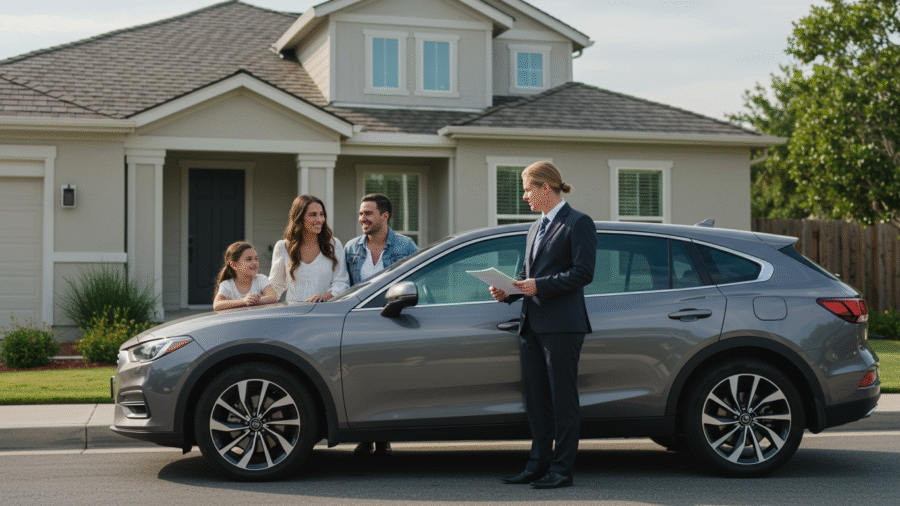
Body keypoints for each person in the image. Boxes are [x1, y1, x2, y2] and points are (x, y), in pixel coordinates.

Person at [489, 161, 596, 489]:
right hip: (531, 326)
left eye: (527, 189)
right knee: (536, 402)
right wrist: (507, 291)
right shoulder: (535, 228)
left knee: (563, 401)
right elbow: (527, 277)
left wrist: (541, 285)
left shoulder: (578, 223)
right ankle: (537, 466)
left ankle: (561, 471)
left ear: (545, 188)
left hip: (563, 327)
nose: (524, 197)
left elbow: (583, 273)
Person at [344, 193, 418, 455]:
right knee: (363, 379)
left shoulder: (406, 246)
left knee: (388, 377)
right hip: (361, 323)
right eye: (361, 213)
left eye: (368, 213)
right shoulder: (352, 248)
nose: (362, 218)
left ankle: (384, 436)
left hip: (393, 319)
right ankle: (367, 435)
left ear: (384, 216)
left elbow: (417, 281)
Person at [269, 195, 350, 303]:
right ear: (299, 217)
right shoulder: (283, 247)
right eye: (313, 215)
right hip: (294, 315)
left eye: (322, 215)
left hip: (324, 313)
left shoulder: (333, 245)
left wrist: (324, 297)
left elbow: (342, 283)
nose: (319, 220)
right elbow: (276, 285)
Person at [213, 241, 278, 311]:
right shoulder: (227, 285)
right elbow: (217, 305)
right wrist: (244, 301)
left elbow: (273, 297)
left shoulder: (261, 279)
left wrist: (255, 301)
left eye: (256, 258)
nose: (255, 263)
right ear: (234, 265)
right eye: (249, 259)